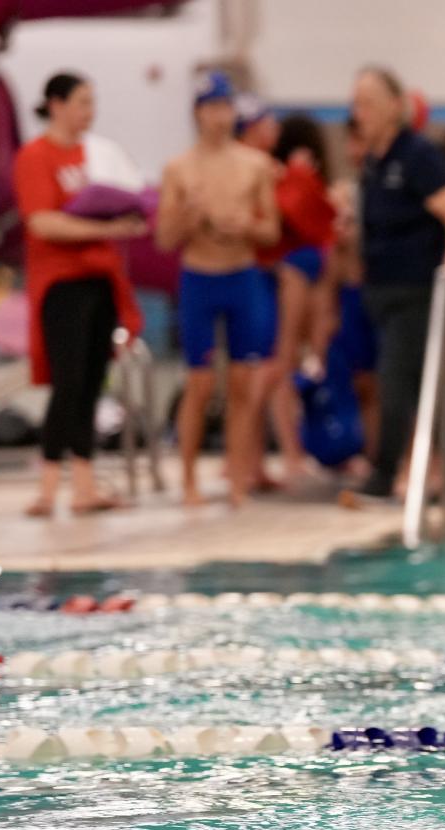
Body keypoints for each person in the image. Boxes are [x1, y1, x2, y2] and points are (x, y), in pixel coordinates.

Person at [12, 71, 145, 517]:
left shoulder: (98, 156)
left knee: (91, 382)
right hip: (61, 284)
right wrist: (105, 228)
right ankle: (48, 486)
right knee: (66, 382)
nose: (90, 112)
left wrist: (128, 219)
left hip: (100, 279)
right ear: (56, 104)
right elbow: (42, 222)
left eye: (93, 102)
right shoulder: (35, 157)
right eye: (83, 102)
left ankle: (83, 485)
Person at [341, 66, 445, 505]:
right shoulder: (373, 163)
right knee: (422, 390)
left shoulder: (417, 154)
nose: (359, 113)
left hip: (417, 294)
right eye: (356, 104)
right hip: (384, 293)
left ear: (395, 107)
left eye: (368, 104)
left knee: (398, 384)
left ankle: (385, 476)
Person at [159, 71, 279, 506]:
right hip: (199, 277)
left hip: (242, 276)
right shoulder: (178, 169)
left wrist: (246, 224)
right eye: (212, 108)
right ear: (198, 113)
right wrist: (191, 218)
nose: (220, 117)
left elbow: (272, 231)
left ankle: (238, 479)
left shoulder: (255, 165)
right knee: (201, 383)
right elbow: (164, 239)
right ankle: (189, 479)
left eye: (226, 108)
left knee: (246, 383)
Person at [258, 113, 338, 486]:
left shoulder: (303, 177)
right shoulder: (278, 175)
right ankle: (288, 451)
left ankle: (302, 447)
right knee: (284, 360)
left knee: (311, 359)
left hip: (312, 266)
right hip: (294, 267)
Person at [328, 117, 379, 474]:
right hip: (353, 294)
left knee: (390, 382)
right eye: (351, 142)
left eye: (360, 141)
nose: (354, 150)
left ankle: (396, 456)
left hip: (385, 292)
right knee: (362, 382)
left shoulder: (392, 190)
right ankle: (375, 455)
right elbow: (330, 265)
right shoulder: (342, 194)